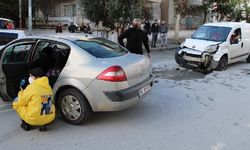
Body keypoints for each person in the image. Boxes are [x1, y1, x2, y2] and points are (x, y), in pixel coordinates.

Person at [13, 67, 55, 132]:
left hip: (33, 118)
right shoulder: (48, 86)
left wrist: (21, 91)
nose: (30, 78)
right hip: (50, 117)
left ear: (37, 77)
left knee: (17, 103)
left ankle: (26, 125)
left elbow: (22, 101)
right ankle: (43, 125)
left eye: (31, 76)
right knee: (43, 102)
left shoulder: (32, 87)